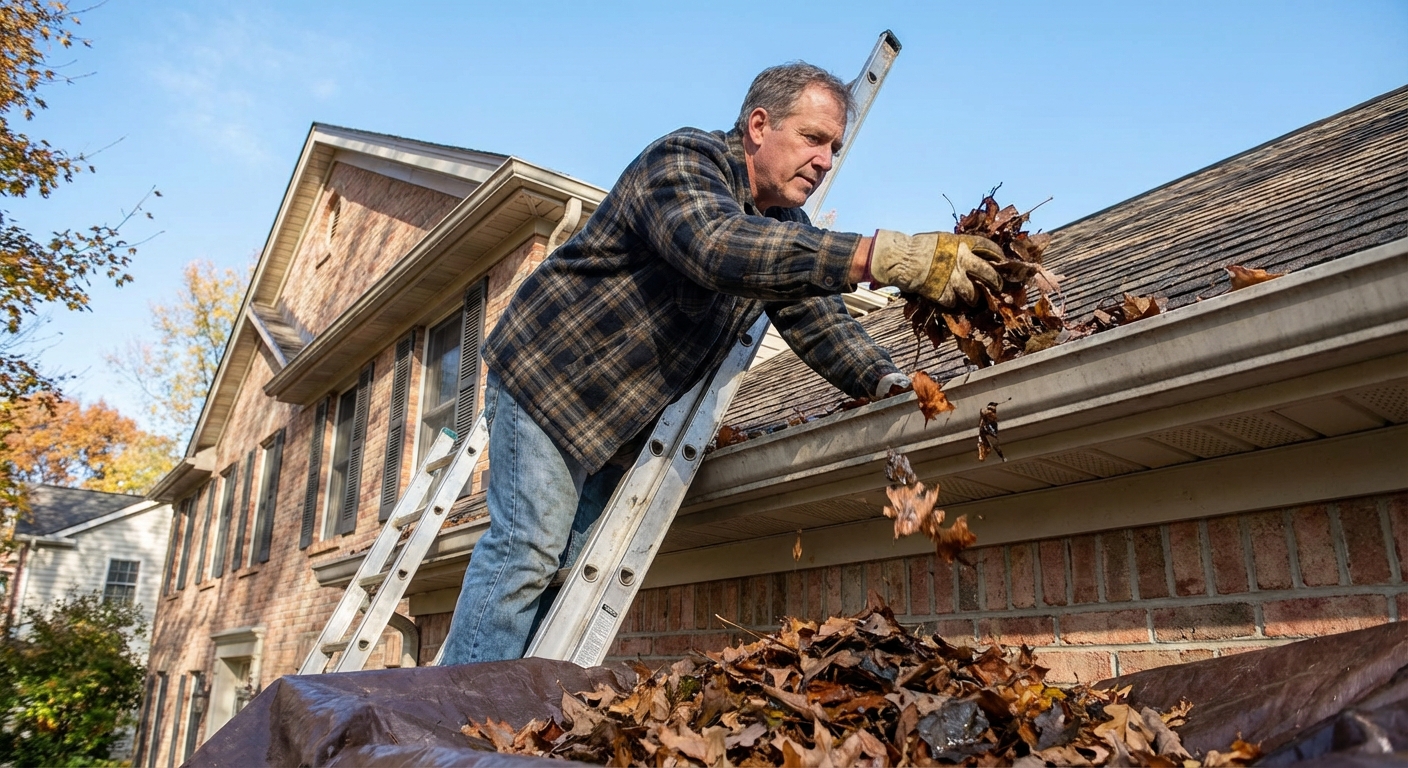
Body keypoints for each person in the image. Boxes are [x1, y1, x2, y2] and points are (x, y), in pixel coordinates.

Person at [438, 61, 1004, 664]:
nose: (826, 160)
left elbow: (819, 321)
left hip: (616, 419)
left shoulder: (784, 226)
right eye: (814, 139)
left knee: (572, 571)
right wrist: (876, 255)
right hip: (550, 378)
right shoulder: (682, 163)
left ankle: (515, 715)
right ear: (759, 125)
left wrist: (888, 380)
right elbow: (714, 246)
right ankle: (452, 722)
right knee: (528, 552)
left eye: (835, 147)